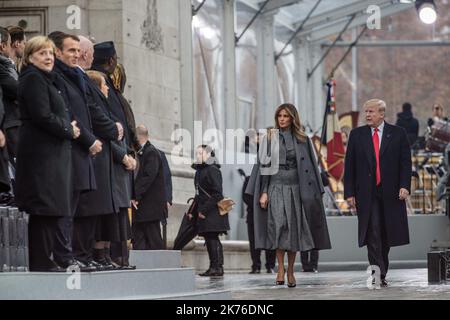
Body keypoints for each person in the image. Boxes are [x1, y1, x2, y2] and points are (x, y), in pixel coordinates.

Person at [245, 103, 331, 288]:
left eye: (286, 116)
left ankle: (291, 270)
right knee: (278, 227)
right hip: (275, 186)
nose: (282, 119)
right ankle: (280, 268)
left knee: (293, 230)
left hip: (296, 189)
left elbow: (311, 169)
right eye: (279, 116)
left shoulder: (303, 139)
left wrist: (313, 193)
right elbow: (264, 168)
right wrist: (264, 192)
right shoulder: (270, 139)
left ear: (293, 118)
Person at [15, 36, 80, 271]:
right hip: (40, 157)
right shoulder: (33, 78)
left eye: (51, 53)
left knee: (52, 208)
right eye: (42, 53)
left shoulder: (46, 79)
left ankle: (45, 259)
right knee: (44, 208)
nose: (49, 57)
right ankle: (41, 261)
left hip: (51, 155)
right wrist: (68, 129)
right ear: (30, 57)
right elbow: (42, 115)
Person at [48, 31, 102, 272]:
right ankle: (65, 256)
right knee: (66, 208)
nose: (76, 54)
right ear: (57, 52)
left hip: (79, 152)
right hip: (70, 150)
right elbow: (69, 114)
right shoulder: (57, 76)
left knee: (74, 207)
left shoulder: (73, 76)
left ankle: (71, 255)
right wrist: (89, 140)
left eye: (78, 50)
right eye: (71, 50)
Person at [344, 99, 411, 287]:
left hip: (391, 193)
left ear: (382, 114)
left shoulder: (398, 134)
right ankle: (377, 274)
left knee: (386, 234)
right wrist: (349, 193)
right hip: (366, 193)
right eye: (366, 111)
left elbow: (406, 163)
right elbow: (349, 167)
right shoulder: (356, 135)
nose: (367, 115)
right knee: (372, 232)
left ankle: (382, 270)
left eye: (371, 112)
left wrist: (405, 185)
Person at [72, 36, 124, 271]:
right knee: (87, 209)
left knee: (97, 211)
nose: (89, 56)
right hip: (91, 151)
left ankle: (89, 255)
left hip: (98, 152)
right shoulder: (83, 79)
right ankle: (82, 255)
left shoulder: (86, 79)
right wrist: (114, 129)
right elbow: (92, 113)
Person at [92, 41, 136, 269]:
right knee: (112, 211)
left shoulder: (109, 87)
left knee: (118, 211)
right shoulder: (100, 84)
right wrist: (123, 155)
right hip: (111, 158)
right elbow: (107, 127)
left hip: (118, 159)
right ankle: (111, 257)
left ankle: (116, 258)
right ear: (111, 60)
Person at [191, 145, 229, 277]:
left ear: (208, 155)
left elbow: (217, 194)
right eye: (196, 153)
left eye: (200, 153)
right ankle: (214, 267)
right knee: (209, 238)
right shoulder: (200, 171)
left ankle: (217, 267)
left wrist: (204, 210)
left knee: (212, 238)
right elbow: (198, 194)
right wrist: (192, 211)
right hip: (205, 211)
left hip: (212, 212)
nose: (197, 156)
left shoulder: (212, 170)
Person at [131, 125, 167, 250]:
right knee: (138, 236)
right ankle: (140, 266)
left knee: (153, 238)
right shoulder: (144, 152)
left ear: (137, 137)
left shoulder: (150, 152)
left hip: (150, 207)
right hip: (143, 206)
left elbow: (147, 177)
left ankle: (161, 266)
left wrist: (135, 195)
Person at [0, 27, 20, 166]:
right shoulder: (2, 68)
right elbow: (16, 89)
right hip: (9, 127)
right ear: (3, 46)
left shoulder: (7, 65)